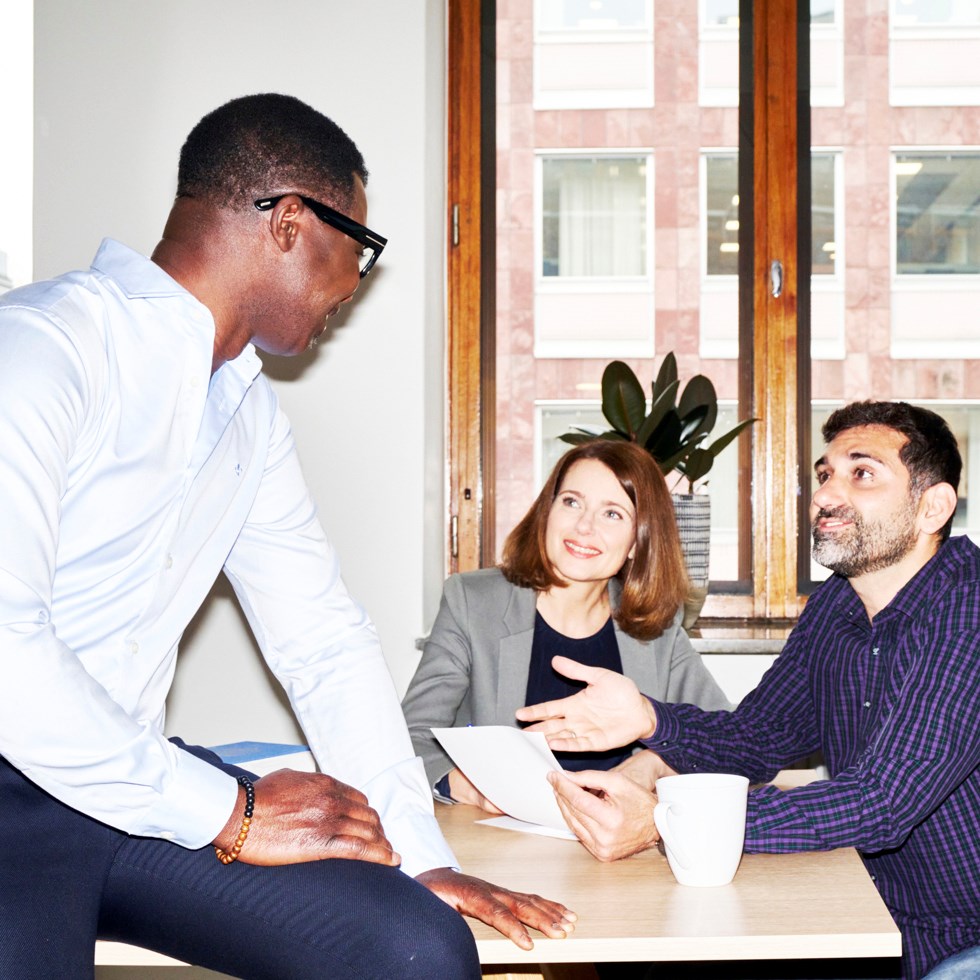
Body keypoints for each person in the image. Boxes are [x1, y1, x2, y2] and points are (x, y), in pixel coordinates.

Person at [0, 93, 575, 979]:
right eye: (361, 249)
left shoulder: (246, 412)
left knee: (416, 949)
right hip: (15, 795)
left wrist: (421, 856)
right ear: (292, 222)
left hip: (133, 793)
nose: (356, 281)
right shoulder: (40, 350)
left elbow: (322, 641)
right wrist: (230, 814)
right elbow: (8, 651)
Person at [516, 401, 980, 980]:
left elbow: (882, 801)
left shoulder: (968, 610)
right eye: (825, 474)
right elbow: (758, 738)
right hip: (869, 910)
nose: (826, 495)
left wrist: (669, 822)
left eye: (861, 473)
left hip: (961, 937)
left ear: (932, 506)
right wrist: (648, 719)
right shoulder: (838, 603)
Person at [402, 439, 730, 812]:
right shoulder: (472, 602)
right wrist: (468, 786)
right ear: (548, 511)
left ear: (638, 542)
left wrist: (652, 766)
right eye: (572, 502)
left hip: (618, 849)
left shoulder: (657, 628)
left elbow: (731, 741)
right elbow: (411, 736)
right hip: (500, 846)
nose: (584, 526)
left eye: (613, 514)